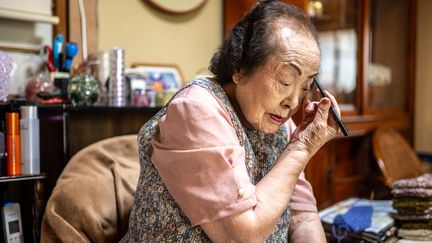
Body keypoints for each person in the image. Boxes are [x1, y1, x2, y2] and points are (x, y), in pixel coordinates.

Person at [122, 0, 340, 242]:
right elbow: (242, 236)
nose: (293, 102)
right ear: (239, 68)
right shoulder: (195, 110)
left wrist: (298, 146)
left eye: (306, 87)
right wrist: (300, 149)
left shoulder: (280, 124)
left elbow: (303, 219)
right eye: (286, 81)